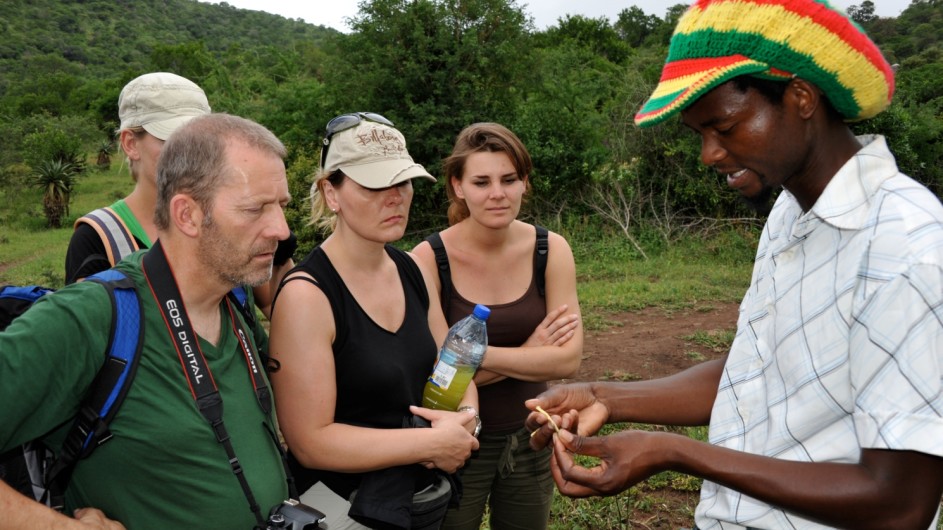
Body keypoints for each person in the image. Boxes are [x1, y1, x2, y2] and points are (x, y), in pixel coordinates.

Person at [526, 1, 943, 529]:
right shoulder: (790, 214)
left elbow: (900, 504)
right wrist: (603, 395)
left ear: (801, 98)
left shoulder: (906, 245)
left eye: (725, 127)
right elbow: (759, 372)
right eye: (698, 134)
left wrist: (674, 452)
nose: (709, 154)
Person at [0, 113, 294, 529]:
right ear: (187, 214)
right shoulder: (94, 318)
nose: (281, 229)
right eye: (254, 209)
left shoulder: (232, 303)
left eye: (281, 205)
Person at [267, 112, 481, 530]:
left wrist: (469, 418)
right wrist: (430, 441)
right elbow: (309, 441)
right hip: (343, 510)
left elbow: (453, 363)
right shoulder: (306, 295)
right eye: (375, 185)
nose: (396, 197)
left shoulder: (412, 270)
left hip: (419, 502)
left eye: (403, 182)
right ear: (332, 192)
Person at [411, 122, 582, 530]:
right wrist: (531, 350)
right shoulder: (428, 258)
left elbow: (568, 360)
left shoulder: (549, 249)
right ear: (458, 187)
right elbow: (440, 377)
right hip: (457, 440)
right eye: (481, 181)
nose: (497, 194)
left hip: (532, 435)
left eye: (509, 179)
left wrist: (471, 354)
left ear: (525, 183)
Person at [64, 71, 294, 316]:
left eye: (202, 141)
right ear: (130, 143)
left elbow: (277, 305)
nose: (191, 152)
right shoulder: (102, 238)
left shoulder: (239, 217)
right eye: (172, 139)